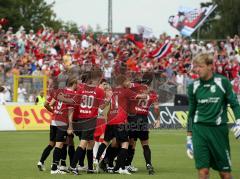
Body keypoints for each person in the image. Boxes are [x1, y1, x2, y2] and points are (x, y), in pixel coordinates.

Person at [186, 53, 240, 179]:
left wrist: (239, 121)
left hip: (219, 131)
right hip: (199, 132)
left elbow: (235, 104)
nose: (197, 69)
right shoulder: (193, 86)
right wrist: (189, 137)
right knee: (203, 172)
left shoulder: (223, 82)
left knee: (225, 173)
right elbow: (191, 113)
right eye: (195, 67)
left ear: (210, 66)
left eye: (200, 66)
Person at [127, 72, 160, 175]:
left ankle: (128, 165)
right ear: (151, 81)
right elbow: (156, 108)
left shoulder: (135, 86)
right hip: (144, 119)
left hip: (133, 117)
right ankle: (149, 165)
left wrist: (135, 81)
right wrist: (158, 119)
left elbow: (126, 84)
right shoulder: (153, 93)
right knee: (145, 144)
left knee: (132, 143)